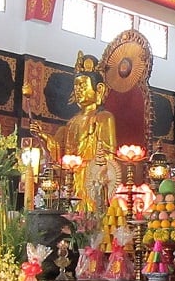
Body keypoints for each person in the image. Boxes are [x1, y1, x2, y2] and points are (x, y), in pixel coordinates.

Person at [30, 52, 118, 213]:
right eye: (76, 85)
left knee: (91, 216)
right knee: (71, 214)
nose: (78, 90)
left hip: (93, 177)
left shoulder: (104, 118)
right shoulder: (71, 122)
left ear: (99, 89)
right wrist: (43, 135)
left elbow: (110, 156)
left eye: (83, 85)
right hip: (72, 179)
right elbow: (61, 154)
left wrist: (99, 174)